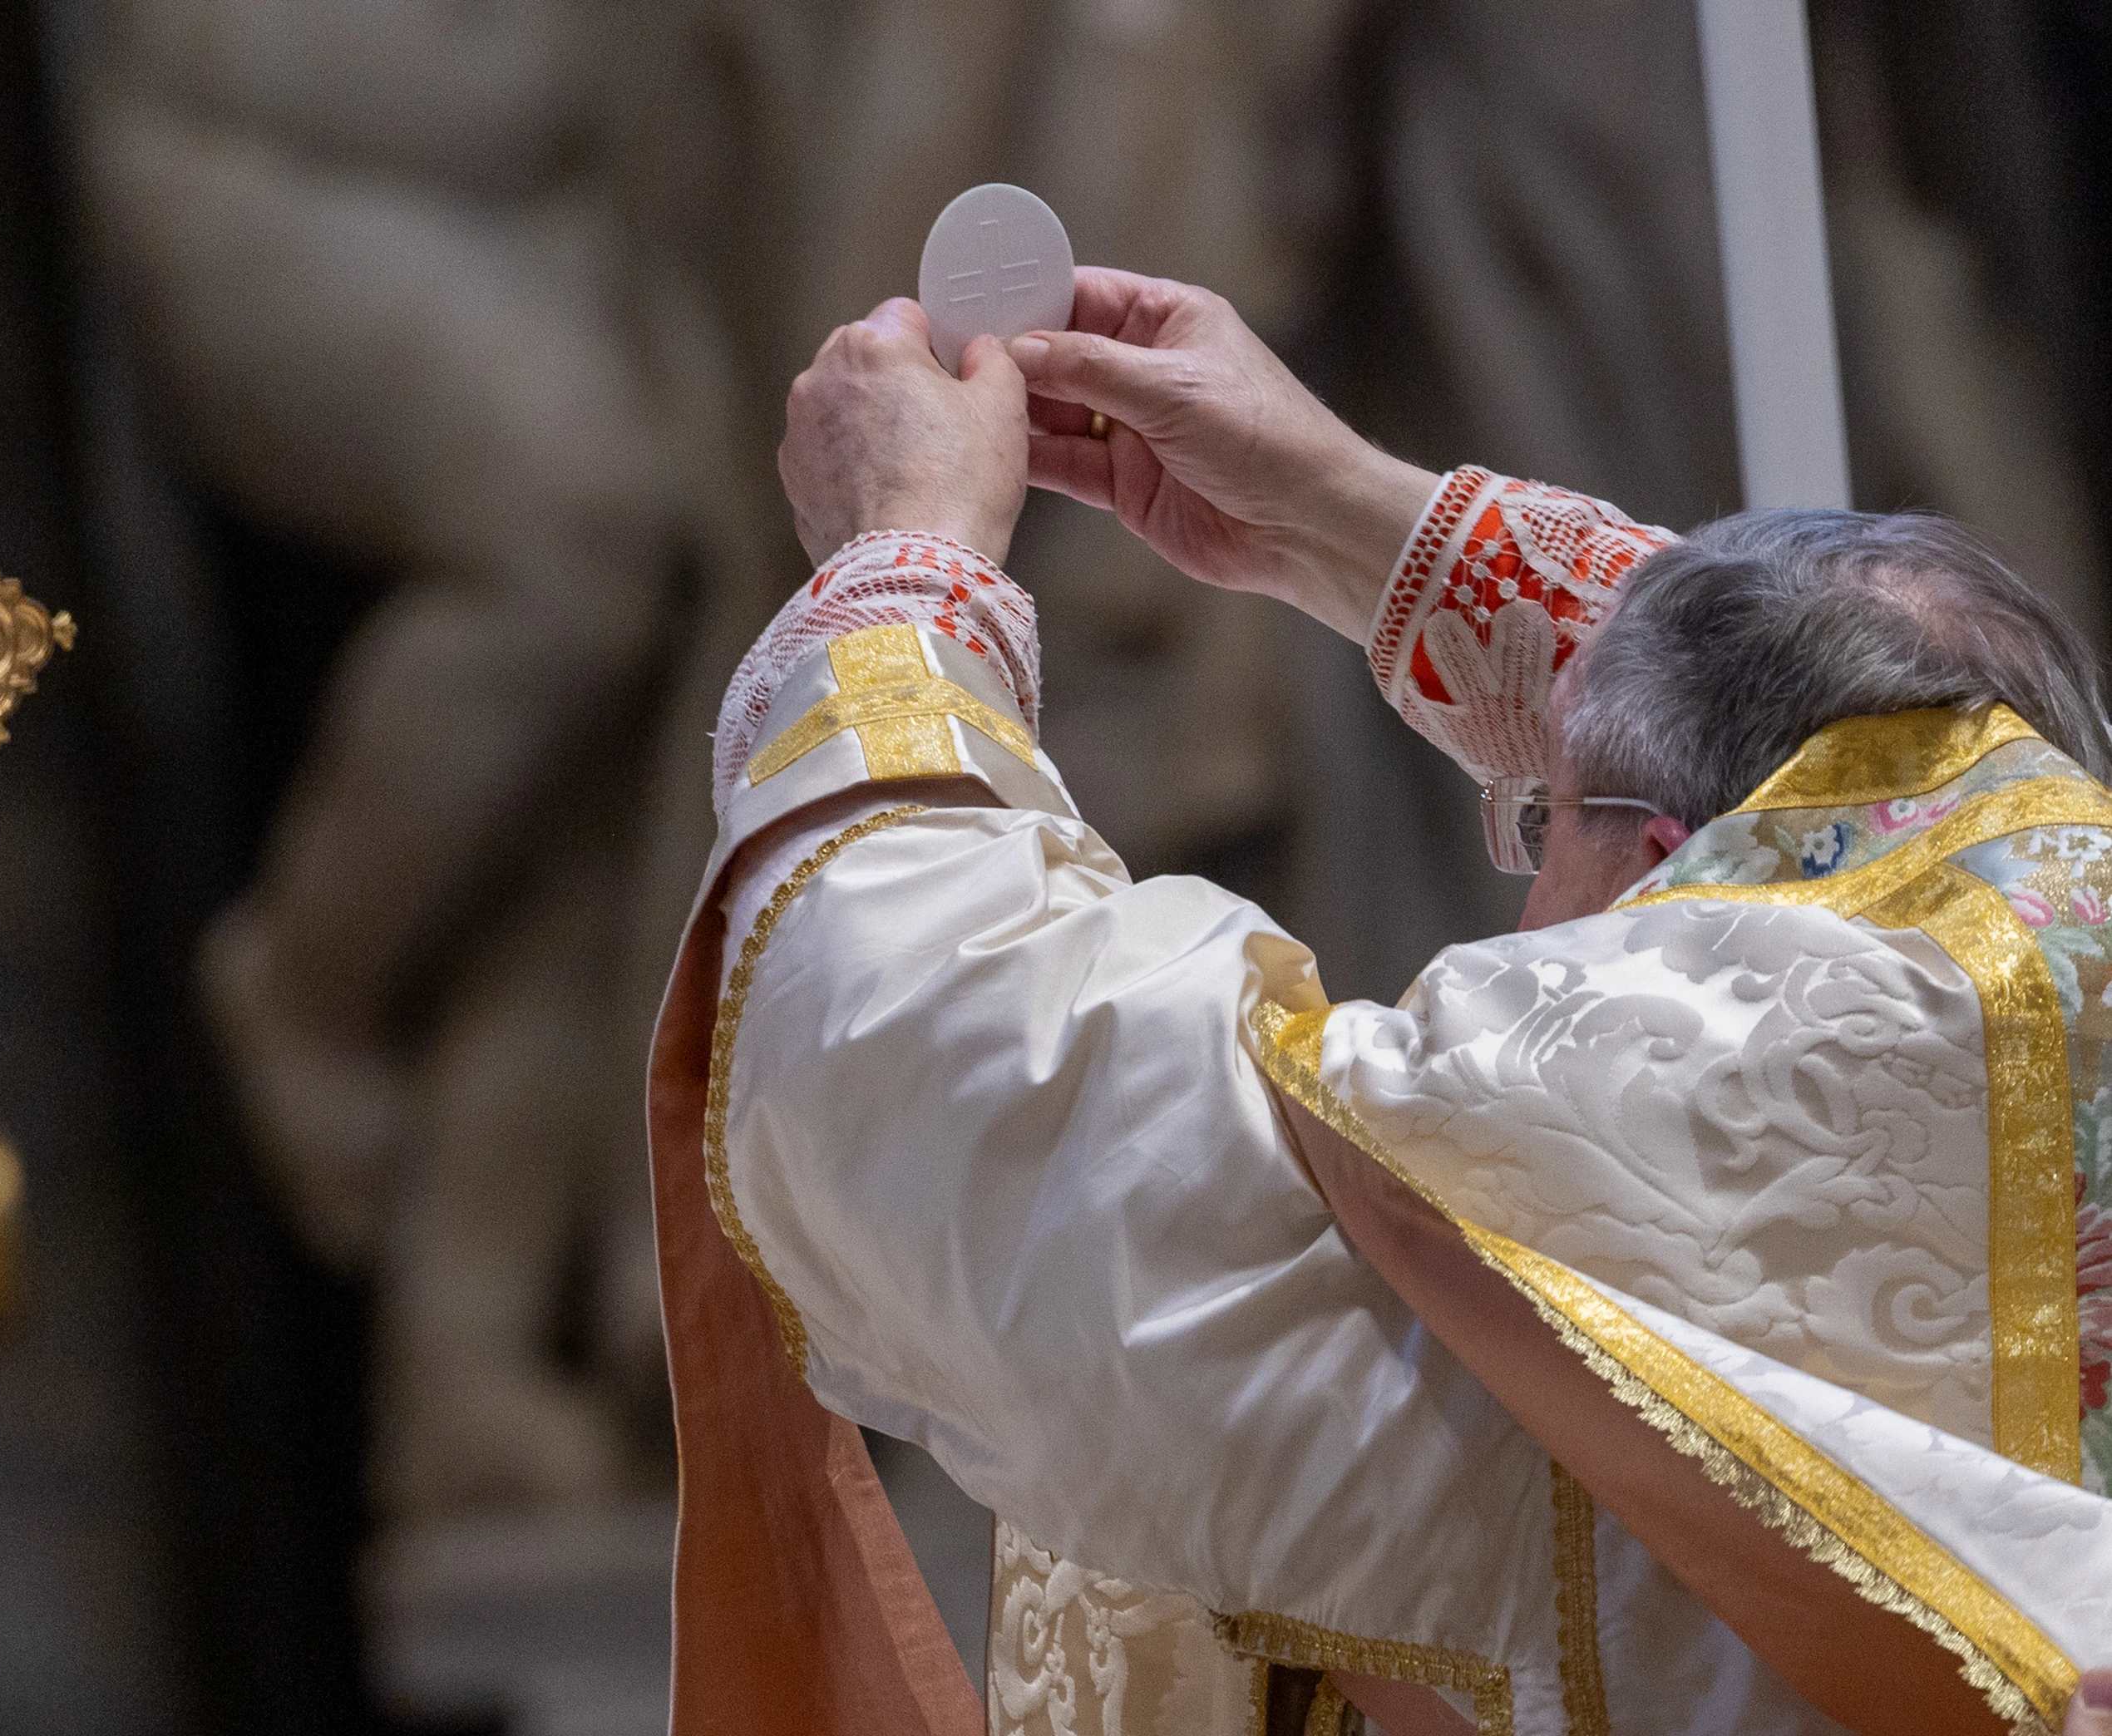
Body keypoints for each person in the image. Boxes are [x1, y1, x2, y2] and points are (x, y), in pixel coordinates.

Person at [644, 268, 2112, 1736]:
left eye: (1542, 818)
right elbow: (1867, 724)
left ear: (1668, 864)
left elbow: (976, 1088)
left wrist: (905, 568)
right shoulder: (2040, 908)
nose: (1530, 872)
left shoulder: (1657, 1099)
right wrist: (1351, 511)